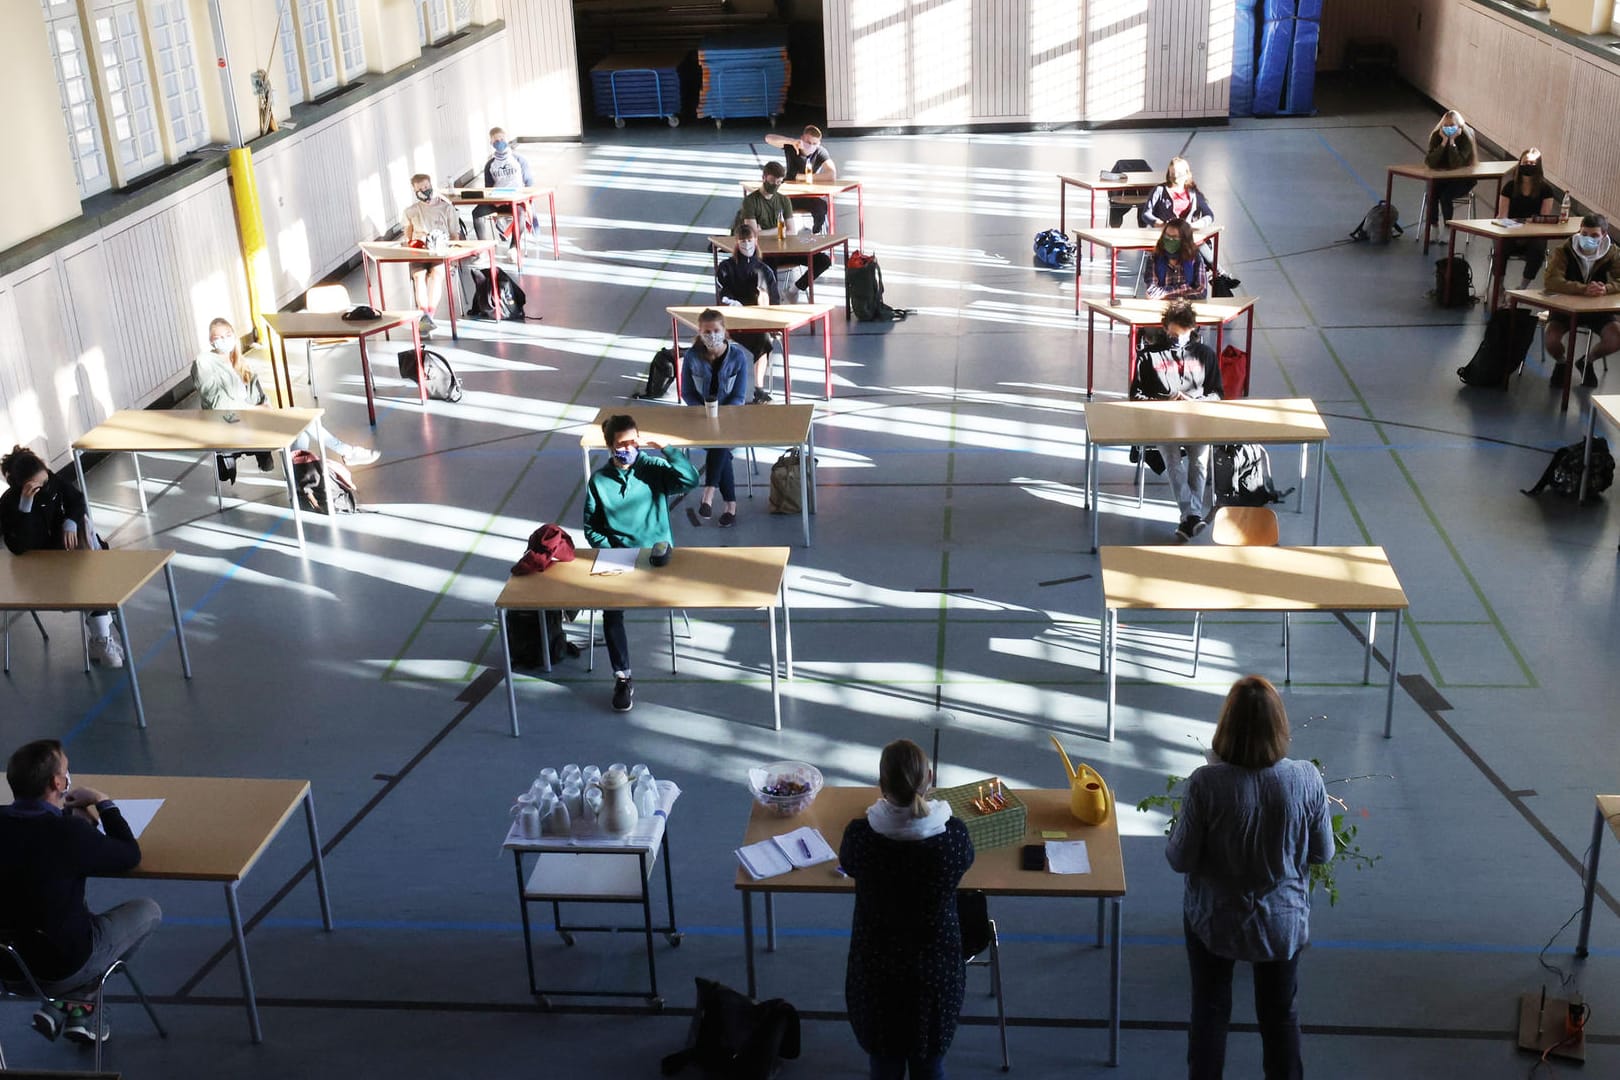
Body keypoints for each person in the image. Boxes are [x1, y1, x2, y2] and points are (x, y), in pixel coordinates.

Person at [1166, 675, 1333, 1080]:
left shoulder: (1206, 783)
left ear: (1227, 726)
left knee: (1209, 1013)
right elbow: (1322, 852)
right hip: (1282, 922)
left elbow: (1181, 858)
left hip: (1215, 920)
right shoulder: (1306, 778)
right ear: (1279, 727)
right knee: (1280, 1017)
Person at [0, 739, 162, 1045]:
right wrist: (103, 802)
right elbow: (129, 854)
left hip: (8, 969)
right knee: (148, 910)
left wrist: (64, 818)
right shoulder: (69, 835)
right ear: (58, 782)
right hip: (61, 965)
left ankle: (65, 1007)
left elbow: (26, 839)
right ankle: (79, 999)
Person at [840, 739, 974, 1080]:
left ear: (882, 786)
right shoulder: (953, 840)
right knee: (930, 1063)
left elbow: (849, 859)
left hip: (876, 974)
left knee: (884, 1064)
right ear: (929, 778)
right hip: (936, 976)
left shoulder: (860, 840)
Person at [582, 414, 700, 712]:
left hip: (658, 554)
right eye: (623, 443)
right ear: (610, 447)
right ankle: (623, 677)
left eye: (634, 441)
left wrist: (669, 451)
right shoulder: (599, 481)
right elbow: (591, 528)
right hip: (618, 557)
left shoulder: (653, 468)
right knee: (611, 610)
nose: (630, 447)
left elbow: (690, 480)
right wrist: (612, 550)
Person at [194, 318, 378, 467]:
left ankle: (298, 474)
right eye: (219, 337)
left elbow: (257, 393)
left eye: (228, 335)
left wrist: (265, 405)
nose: (224, 340)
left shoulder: (240, 362)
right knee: (300, 417)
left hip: (251, 419)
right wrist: (258, 411)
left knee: (301, 428)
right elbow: (221, 406)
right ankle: (347, 452)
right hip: (227, 424)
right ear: (211, 341)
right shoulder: (204, 362)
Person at [0, 447, 122, 668]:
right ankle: (101, 637)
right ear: (25, 488)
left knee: (89, 569)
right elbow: (18, 547)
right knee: (86, 581)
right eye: (40, 485)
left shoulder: (53, 481)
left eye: (46, 478)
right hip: (37, 569)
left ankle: (101, 639)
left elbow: (76, 500)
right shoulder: (9, 504)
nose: (47, 486)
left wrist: (71, 521)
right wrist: (25, 509)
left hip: (66, 554)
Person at [1133, 300, 1224, 542]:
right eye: (1172, 334)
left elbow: (1217, 393)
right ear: (1165, 329)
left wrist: (1196, 403)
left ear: (1192, 330)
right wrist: (1162, 403)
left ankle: (1189, 518)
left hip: (1198, 419)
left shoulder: (1206, 355)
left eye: (1182, 335)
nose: (1177, 339)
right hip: (1162, 421)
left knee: (1199, 462)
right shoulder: (1148, 356)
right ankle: (1193, 514)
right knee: (1173, 461)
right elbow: (1136, 395)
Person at [680, 310, 751, 527]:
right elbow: (687, 392)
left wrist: (721, 416)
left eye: (716, 331)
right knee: (721, 450)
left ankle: (708, 493)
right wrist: (703, 412)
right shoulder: (692, 357)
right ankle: (730, 505)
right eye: (707, 332)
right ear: (700, 333)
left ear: (724, 331)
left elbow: (738, 396)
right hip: (701, 418)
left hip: (731, 418)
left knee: (719, 444)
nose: (712, 335)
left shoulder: (738, 357)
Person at [734, 161, 830, 302]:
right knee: (769, 275)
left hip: (785, 249)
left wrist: (766, 231)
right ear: (764, 178)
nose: (775, 186)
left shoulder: (784, 200)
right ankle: (774, 303)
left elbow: (792, 231)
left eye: (779, 182)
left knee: (823, 260)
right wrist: (779, 230)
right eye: (772, 181)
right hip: (765, 253)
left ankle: (794, 289)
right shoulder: (751, 201)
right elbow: (753, 234)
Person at [1138, 157, 1238, 292]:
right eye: (1172, 174)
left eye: (1178, 174)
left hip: (1187, 234)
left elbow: (1209, 215)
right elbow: (1146, 214)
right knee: (1196, 245)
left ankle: (1207, 280)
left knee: (1197, 244)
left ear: (1186, 174)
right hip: (1167, 236)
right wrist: (1160, 224)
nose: (1175, 177)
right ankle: (1219, 274)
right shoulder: (1160, 190)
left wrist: (1198, 224)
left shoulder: (1193, 193)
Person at [1543, 214, 1620, 388]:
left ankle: (1587, 361)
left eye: (1594, 236)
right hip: (1565, 308)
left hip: (1597, 310)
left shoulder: (1612, 253)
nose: (1588, 239)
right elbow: (1552, 280)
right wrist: (1583, 289)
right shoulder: (1564, 250)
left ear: (1604, 235)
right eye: (1584, 234)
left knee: (1616, 338)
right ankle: (1562, 362)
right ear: (1579, 231)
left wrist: (1605, 288)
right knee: (1551, 340)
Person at [715, 222, 781, 402]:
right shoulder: (726, 267)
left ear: (756, 241)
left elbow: (775, 301)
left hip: (759, 322)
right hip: (734, 322)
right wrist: (732, 303)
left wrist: (772, 322)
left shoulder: (764, 270)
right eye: (742, 242)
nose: (746, 245)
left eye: (750, 240)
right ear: (737, 243)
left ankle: (758, 390)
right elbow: (723, 292)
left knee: (765, 341)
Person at [403, 173, 461, 335]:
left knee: (436, 274)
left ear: (431, 186)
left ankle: (429, 315)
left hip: (440, 251)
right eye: (420, 189)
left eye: (426, 187)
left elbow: (454, 235)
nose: (424, 191)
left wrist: (454, 258)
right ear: (414, 191)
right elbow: (408, 236)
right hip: (420, 251)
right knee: (419, 276)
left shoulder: (446, 208)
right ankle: (423, 314)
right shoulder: (411, 211)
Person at [1495, 148, 1559, 289]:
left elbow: (1543, 218)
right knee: (1500, 247)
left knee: (1538, 249)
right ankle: (1499, 286)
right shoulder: (1509, 187)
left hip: (1533, 234)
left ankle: (1523, 287)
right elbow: (1502, 216)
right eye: (1525, 162)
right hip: (1510, 232)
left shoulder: (1546, 190)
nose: (1528, 166)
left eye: (1532, 163)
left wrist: (1528, 226)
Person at [766, 125, 837, 233]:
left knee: (821, 207)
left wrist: (802, 177)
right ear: (802, 138)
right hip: (788, 196)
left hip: (807, 195)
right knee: (775, 208)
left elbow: (831, 174)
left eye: (815, 143)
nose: (811, 146)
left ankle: (816, 234)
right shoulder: (791, 147)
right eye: (808, 142)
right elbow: (768, 138)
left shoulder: (820, 152)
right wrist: (791, 141)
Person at [472, 127, 536, 248]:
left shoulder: (519, 160)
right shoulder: (490, 165)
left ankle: (514, 247)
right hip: (497, 201)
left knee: (520, 213)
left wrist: (524, 199)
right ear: (491, 143)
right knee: (477, 212)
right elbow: (488, 188)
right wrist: (493, 201)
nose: (499, 142)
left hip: (516, 201)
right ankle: (483, 248)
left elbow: (529, 183)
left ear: (506, 139)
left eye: (501, 139)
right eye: (496, 140)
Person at [1423, 109, 1478, 230]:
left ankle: (1448, 228)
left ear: (1459, 126)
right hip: (1441, 176)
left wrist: (1452, 142)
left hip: (1462, 179)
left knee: (1445, 196)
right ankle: (1434, 225)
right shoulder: (1436, 136)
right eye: (1446, 126)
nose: (1449, 128)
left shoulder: (1466, 138)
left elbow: (1456, 164)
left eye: (1452, 125)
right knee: (1431, 192)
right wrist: (1443, 143)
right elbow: (1430, 162)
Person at [1144, 219, 1209, 300]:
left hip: (1188, 309)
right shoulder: (1154, 258)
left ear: (1184, 241)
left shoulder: (1194, 257)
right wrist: (1186, 288)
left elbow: (1201, 292)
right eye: (1167, 236)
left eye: (1174, 238)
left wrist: (1164, 293)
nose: (1169, 240)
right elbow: (1151, 292)